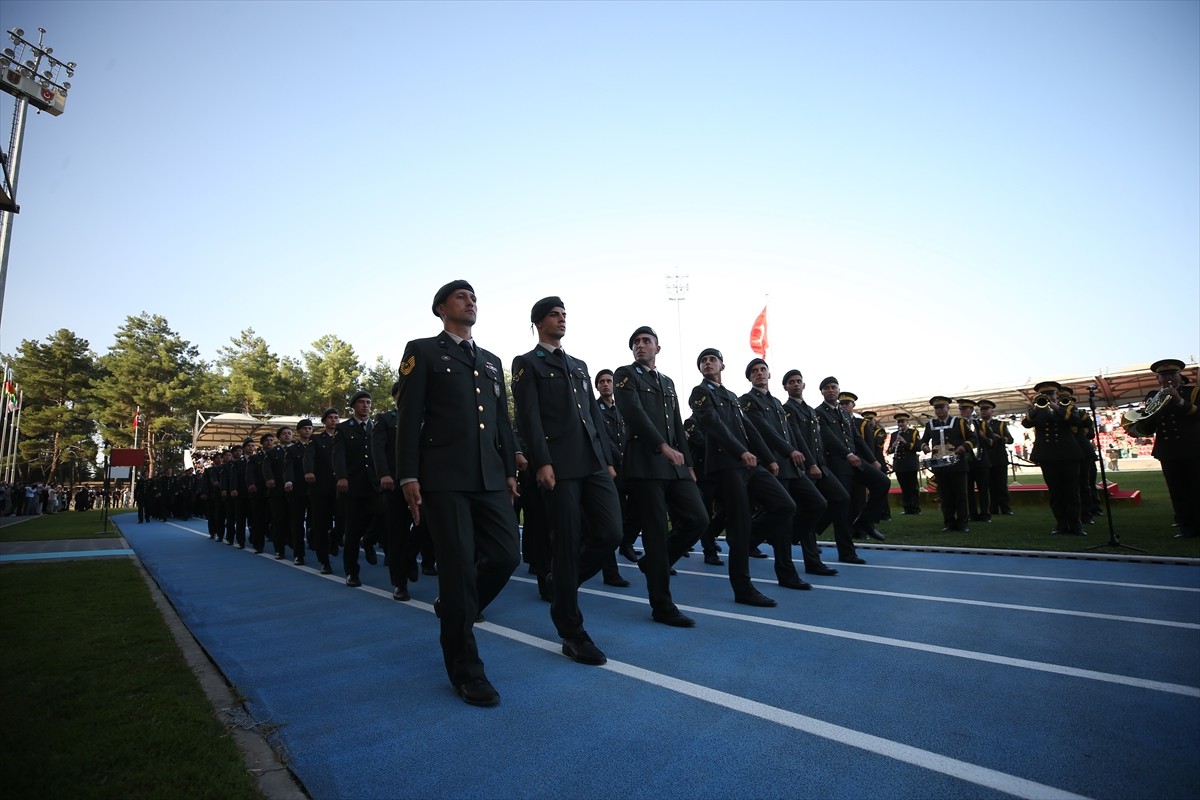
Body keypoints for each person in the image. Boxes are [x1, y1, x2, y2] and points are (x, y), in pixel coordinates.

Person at [397, 279, 521, 707]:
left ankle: (455, 610)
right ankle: (467, 671)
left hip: (489, 476)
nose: (470, 302)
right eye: (461, 297)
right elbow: (409, 417)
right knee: (456, 570)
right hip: (444, 477)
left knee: (506, 556)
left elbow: (501, 422)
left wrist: (508, 468)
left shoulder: (490, 361)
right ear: (441, 308)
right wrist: (408, 475)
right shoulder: (424, 350)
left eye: (473, 298)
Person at [511, 296, 622, 664]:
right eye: (554, 315)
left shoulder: (579, 364)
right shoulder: (527, 363)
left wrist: (605, 459)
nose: (561, 320)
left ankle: (561, 585)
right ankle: (572, 632)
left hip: (591, 464)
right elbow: (529, 416)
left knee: (610, 533)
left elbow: (592, 414)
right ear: (538, 322)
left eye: (563, 315)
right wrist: (541, 462)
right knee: (567, 543)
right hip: (558, 467)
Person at [688, 348, 801, 608]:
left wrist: (768, 457)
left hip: (750, 463)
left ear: (722, 366)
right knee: (739, 522)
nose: (708, 363)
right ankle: (743, 588)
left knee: (785, 505)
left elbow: (747, 428)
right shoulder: (700, 393)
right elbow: (714, 425)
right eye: (703, 361)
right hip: (726, 465)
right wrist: (740, 452)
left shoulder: (730, 396)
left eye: (712, 359)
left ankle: (747, 538)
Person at [613, 326, 709, 627]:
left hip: (674, 464)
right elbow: (634, 413)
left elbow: (676, 423)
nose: (641, 346)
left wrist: (688, 463)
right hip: (645, 463)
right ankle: (662, 606)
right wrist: (662, 446)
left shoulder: (666, 382)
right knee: (654, 533)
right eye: (636, 342)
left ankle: (652, 563)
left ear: (658, 347)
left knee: (698, 519)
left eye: (646, 341)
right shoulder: (625, 374)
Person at [740, 358, 835, 578]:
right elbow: (764, 431)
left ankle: (765, 538)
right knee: (784, 516)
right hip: (773, 464)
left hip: (793, 466)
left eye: (763, 370)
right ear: (749, 377)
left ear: (769, 375)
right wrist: (787, 451)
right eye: (755, 371)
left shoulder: (776, 403)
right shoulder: (747, 401)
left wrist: (805, 460)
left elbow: (792, 434)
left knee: (817, 504)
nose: (760, 373)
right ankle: (787, 572)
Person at [781, 370, 866, 565]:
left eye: (798, 381)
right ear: (785, 387)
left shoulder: (810, 411)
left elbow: (817, 440)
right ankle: (812, 561)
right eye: (791, 382)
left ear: (804, 386)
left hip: (821, 466)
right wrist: (810, 464)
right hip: (804, 467)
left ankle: (798, 532)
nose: (795, 384)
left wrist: (820, 464)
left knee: (842, 498)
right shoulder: (787, 409)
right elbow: (798, 438)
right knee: (811, 506)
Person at [815, 378, 889, 541]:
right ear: (821, 392)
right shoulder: (819, 412)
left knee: (883, 482)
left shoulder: (844, 413)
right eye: (826, 388)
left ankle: (865, 522)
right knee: (844, 506)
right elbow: (828, 437)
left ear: (838, 390)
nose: (830, 390)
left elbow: (857, 438)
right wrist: (848, 455)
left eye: (833, 387)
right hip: (837, 464)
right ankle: (846, 551)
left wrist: (873, 460)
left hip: (855, 461)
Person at [1140, 359, 1199, 538]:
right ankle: (1186, 527)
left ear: (1180, 375)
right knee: (1177, 491)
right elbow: (1150, 426)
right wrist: (1139, 426)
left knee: (1197, 489)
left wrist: (1180, 401)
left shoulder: (1194, 392)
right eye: (1164, 375)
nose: (1168, 378)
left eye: (1172, 374)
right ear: (1158, 378)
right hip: (1168, 451)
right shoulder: (1153, 396)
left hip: (1194, 448)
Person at [333, 390, 384, 587]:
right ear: (353, 406)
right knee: (353, 531)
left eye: (368, 402)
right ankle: (352, 572)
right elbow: (338, 456)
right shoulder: (344, 429)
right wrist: (342, 477)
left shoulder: (377, 427)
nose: (366, 405)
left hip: (375, 484)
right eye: (361, 402)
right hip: (354, 485)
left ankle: (370, 540)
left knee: (384, 517)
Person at [1021, 380, 1084, 536]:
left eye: (1051, 393)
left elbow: (1076, 421)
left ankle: (1076, 525)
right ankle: (1061, 524)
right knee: (1055, 492)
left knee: (1072, 491)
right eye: (1044, 394)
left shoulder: (1068, 407)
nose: (1048, 397)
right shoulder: (1037, 409)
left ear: (1057, 394)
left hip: (1069, 454)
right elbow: (1026, 424)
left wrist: (1057, 408)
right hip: (1047, 456)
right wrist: (1036, 409)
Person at [596, 368, 643, 567]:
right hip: (609, 467)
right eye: (602, 381)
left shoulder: (622, 407)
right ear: (597, 386)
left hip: (629, 466)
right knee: (614, 514)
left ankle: (627, 543)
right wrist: (619, 456)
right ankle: (609, 566)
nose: (606, 384)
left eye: (609, 381)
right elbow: (603, 438)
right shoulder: (594, 408)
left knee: (639, 507)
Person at [373, 383, 413, 601]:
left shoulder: (424, 416)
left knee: (425, 529)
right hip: (395, 482)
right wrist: (384, 475)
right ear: (395, 397)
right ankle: (400, 582)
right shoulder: (385, 419)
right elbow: (378, 448)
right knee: (397, 533)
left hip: (425, 483)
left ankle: (409, 560)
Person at [919, 396, 978, 532]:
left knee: (960, 495)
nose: (939, 410)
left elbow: (973, 438)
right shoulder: (930, 425)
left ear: (947, 408)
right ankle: (949, 522)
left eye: (941, 407)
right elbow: (922, 441)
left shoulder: (960, 422)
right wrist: (924, 446)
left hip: (957, 465)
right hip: (939, 466)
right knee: (945, 496)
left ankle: (963, 523)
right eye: (936, 408)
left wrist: (964, 446)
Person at [304, 409, 341, 574]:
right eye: (330, 418)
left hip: (341, 487)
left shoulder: (344, 437)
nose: (334, 420)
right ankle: (324, 561)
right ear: (324, 421)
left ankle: (335, 537)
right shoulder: (317, 439)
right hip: (321, 487)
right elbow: (309, 457)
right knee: (321, 524)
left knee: (344, 521)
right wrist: (309, 471)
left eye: (336, 418)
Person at [957, 399, 991, 523]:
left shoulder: (980, 423)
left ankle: (985, 514)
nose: (962, 411)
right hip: (966, 461)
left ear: (971, 410)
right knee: (968, 490)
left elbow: (991, 441)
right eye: (960, 409)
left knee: (983, 489)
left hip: (981, 460)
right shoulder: (957, 424)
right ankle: (972, 514)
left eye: (965, 409)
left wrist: (984, 437)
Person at [978, 400, 1014, 515]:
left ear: (991, 410)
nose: (983, 411)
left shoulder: (1000, 424)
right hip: (985, 459)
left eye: (986, 409)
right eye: (981, 410)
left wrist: (1000, 438)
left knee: (1001, 485)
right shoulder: (977, 425)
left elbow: (1010, 439)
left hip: (999, 458)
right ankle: (992, 509)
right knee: (989, 486)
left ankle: (1005, 508)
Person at [888, 412, 922, 515]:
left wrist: (905, 442)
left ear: (907, 422)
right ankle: (907, 508)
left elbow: (918, 447)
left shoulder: (913, 432)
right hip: (899, 464)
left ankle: (915, 509)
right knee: (904, 488)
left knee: (913, 487)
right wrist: (893, 446)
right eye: (899, 422)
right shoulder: (894, 434)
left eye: (902, 422)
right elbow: (889, 450)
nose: (900, 424)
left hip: (910, 463)